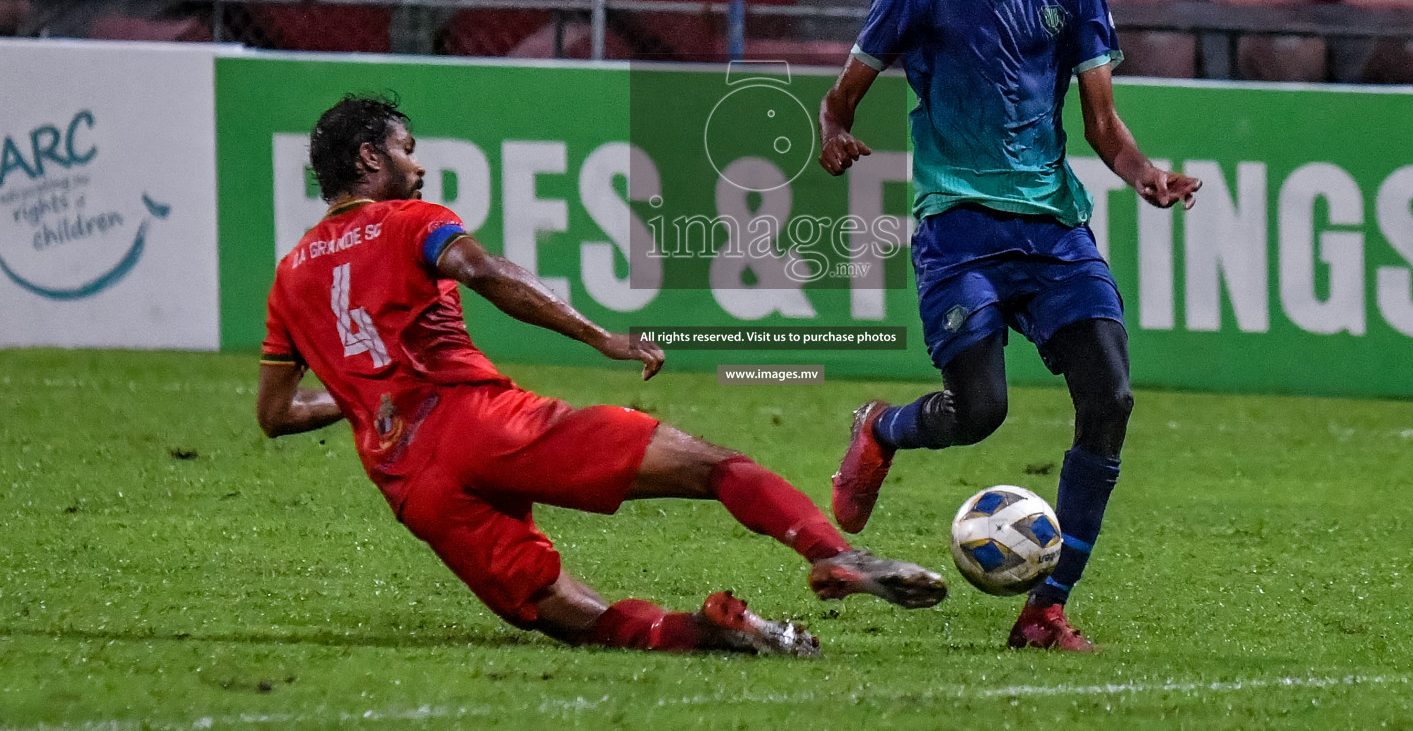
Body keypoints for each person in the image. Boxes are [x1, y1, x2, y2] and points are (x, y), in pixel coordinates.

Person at [257, 94, 945, 658]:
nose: (419, 164)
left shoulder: (290, 277)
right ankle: (831, 554)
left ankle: (720, 631)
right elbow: (486, 272)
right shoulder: (410, 221)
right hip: (481, 424)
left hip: (410, 483)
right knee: (710, 465)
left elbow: (277, 414)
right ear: (369, 157)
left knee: (564, 615)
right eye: (406, 149)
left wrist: (362, 396)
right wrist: (599, 336)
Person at [818, 0, 1200, 652]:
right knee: (980, 410)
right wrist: (834, 132)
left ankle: (1045, 609)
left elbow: (1102, 126)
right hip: (958, 230)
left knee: (1112, 399)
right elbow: (841, 97)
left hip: (1055, 231)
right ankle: (882, 429)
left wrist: (1147, 176)